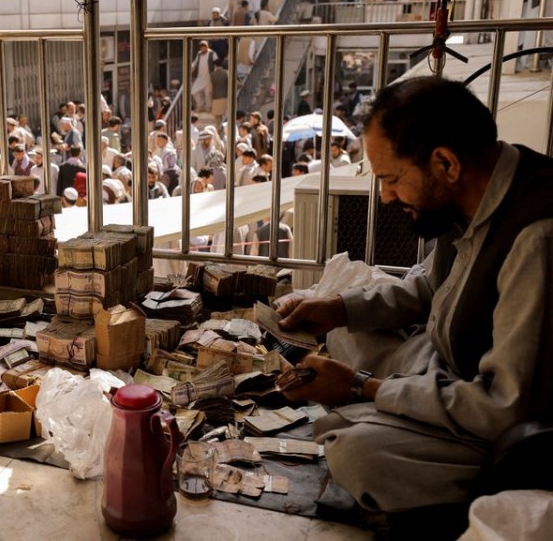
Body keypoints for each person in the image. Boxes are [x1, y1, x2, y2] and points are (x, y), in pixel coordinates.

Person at [276, 76, 553, 520]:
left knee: (355, 453)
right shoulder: (466, 197)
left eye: (391, 179)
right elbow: (429, 289)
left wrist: (359, 386)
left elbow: (502, 406)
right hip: (440, 361)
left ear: (445, 163)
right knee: (346, 331)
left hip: (486, 422)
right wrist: (338, 309)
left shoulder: (535, 238)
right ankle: (372, 400)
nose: (386, 196)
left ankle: (376, 422)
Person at [190, 41, 217, 113]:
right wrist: (191, 68)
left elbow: (216, 62)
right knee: (194, 91)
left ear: (207, 47)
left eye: (204, 47)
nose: (203, 48)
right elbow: (195, 63)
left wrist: (215, 71)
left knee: (208, 93)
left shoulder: (212, 53)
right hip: (200, 76)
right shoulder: (199, 54)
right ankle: (200, 105)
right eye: (201, 47)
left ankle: (208, 107)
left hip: (209, 76)